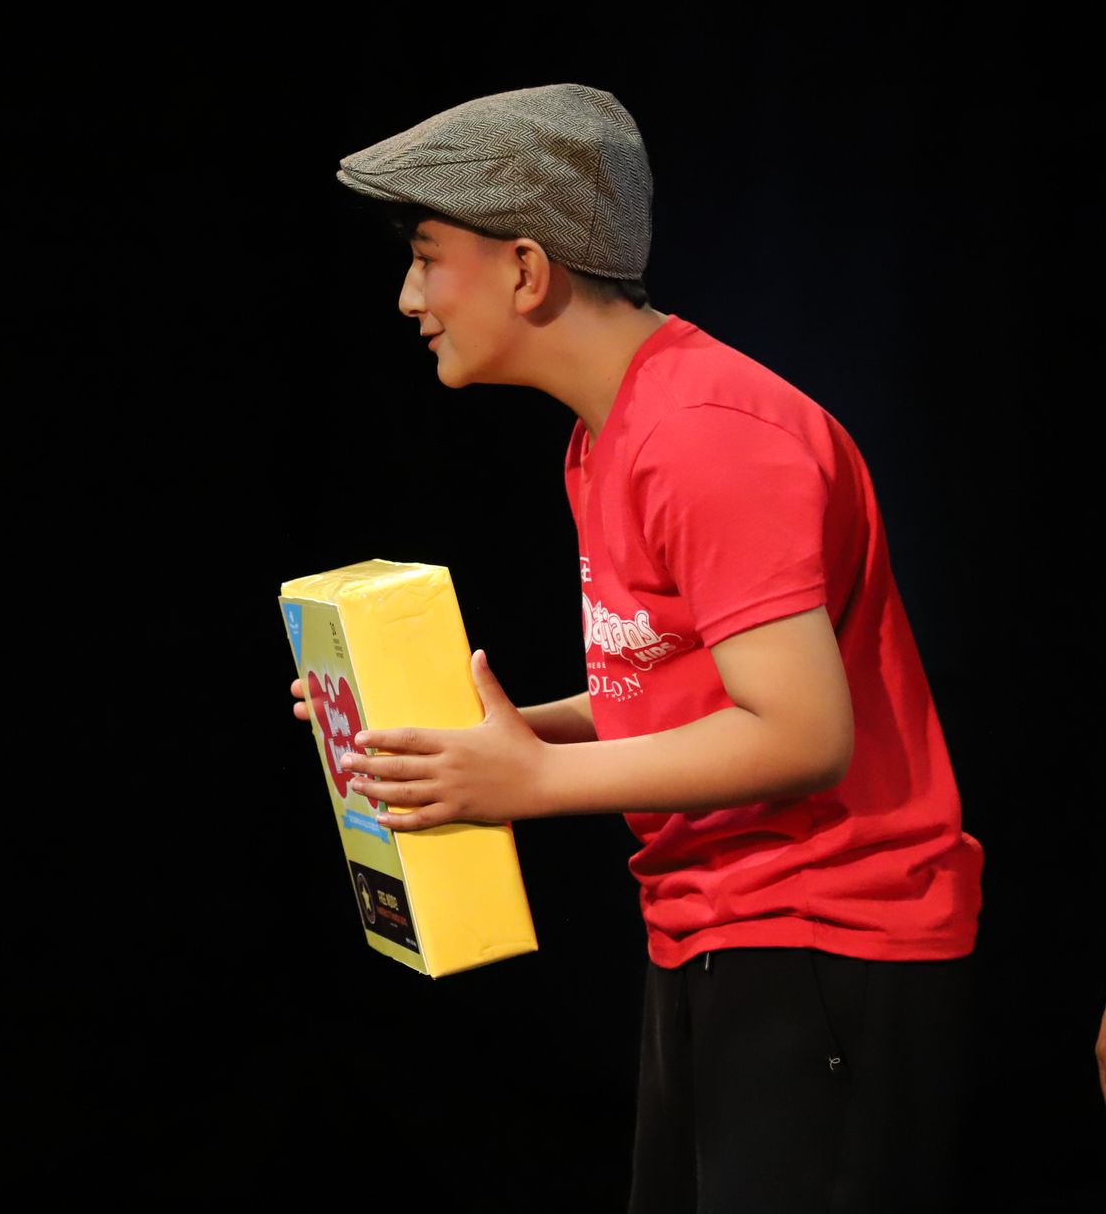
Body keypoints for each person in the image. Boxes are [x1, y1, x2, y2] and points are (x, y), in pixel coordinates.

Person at [290, 85, 983, 1212]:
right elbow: (672, 695)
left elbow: (802, 732)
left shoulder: (705, 436)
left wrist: (535, 776)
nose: (409, 295)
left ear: (525, 268)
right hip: (716, 931)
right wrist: (459, 745)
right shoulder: (607, 437)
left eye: (427, 256)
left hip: (827, 941)